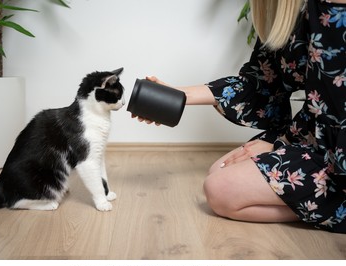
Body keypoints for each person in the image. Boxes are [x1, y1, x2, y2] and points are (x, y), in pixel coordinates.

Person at [133, 0, 346, 233]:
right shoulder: (299, 8)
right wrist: (178, 95)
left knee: (221, 187)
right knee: (220, 180)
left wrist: (278, 146)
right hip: (316, 139)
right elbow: (264, 81)